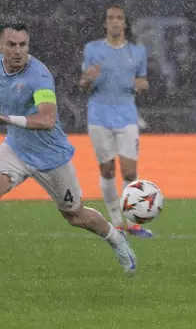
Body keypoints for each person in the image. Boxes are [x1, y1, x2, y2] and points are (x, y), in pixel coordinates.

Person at [0, 23, 137, 275]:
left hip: (51, 158)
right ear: (1, 46)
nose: (18, 50)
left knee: (75, 216)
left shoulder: (38, 76)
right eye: (11, 44)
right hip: (15, 149)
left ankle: (116, 239)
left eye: (23, 45)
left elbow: (47, 120)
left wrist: (7, 120)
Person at [80, 5, 152, 238]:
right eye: (110, 18)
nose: (114, 22)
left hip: (127, 116)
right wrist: (87, 79)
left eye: (119, 18)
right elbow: (83, 84)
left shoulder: (137, 51)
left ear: (125, 23)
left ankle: (133, 222)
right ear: (104, 23)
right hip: (99, 116)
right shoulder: (92, 50)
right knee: (108, 170)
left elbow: (143, 82)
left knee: (130, 172)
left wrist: (141, 84)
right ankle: (116, 222)